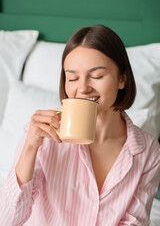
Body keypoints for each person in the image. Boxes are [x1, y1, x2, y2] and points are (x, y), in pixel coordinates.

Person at [0, 25, 160, 226]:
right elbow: (7, 220)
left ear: (122, 79)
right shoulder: (42, 137)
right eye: (73, 78)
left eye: (97, 76)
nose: (83, 88)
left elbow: (133, 222)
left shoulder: (148, 150)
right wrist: (30, 148)